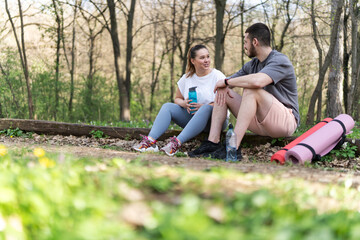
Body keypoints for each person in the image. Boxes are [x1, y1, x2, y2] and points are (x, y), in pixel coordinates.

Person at [189, 23, 300, 160]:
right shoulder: (252, 65)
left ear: (255, 42)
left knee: (251, 90)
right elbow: (228, 82)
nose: (244, 46)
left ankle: (233, 147)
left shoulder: (280, 60)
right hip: (260, 121)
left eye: (245, 42)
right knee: (223, 91)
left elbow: (257, 82)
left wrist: (225, 82)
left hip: (284, 122)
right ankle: (213, 142)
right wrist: (224, 85)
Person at [132, 44, 228, 156]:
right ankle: (150, 142)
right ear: (193, 61)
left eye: (208, 56)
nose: (206, 60)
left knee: (206, 108)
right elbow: (177, 98)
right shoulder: (187, 78)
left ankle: (176, 143)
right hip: (193, 119)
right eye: (202, 58)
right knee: (167, 106)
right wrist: (184, 103)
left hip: (215, 122)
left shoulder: (218, 76)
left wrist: (203, 107)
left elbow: (224, 102)